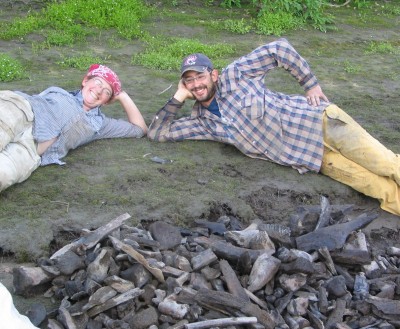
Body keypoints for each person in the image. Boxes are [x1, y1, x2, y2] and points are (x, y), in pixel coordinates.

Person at [147, 38, 400, 216]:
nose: (196, 85)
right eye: (188, 81)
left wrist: (310, 84)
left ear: (214, 75)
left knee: (386, 163)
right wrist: (178, 97)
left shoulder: (235, 75)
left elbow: (279, 49)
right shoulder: (202, 122)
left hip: (320, 121)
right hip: (312, 157)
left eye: (200, 77)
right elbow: (157, 133)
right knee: (377, 188)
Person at [0, 64, 147, 192]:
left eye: (107, 92)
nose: (100, 90)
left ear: (107, 101)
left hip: (30, 150)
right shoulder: (59, 92)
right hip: (21, 111)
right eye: (97, 82)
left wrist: (123, 96)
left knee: (4, 175)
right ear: (85, 81)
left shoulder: (100, 125)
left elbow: (140, 129)